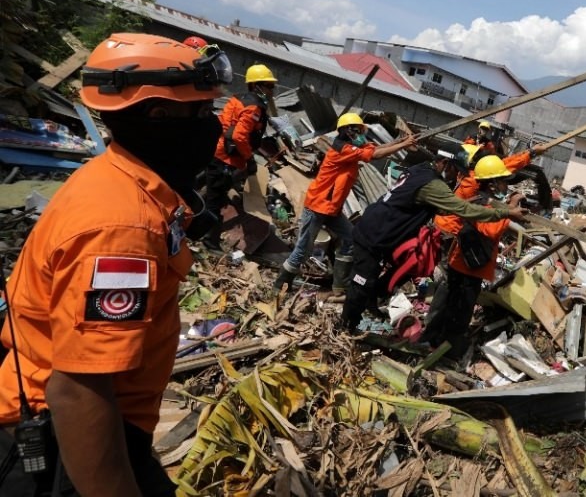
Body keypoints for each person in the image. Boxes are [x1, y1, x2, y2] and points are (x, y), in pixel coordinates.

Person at [0, 33, 228, 496]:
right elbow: (79, 388)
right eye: (202, 112)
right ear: (159, 115)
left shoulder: (114, 176)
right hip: (66, 435)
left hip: (74, 419)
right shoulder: (124, 229)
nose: (213, 125)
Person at [340, 149, 527, 333]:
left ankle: (373, 297)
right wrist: (507, 212)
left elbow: (442, 208)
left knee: (412, 263)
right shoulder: (433, 184)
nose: (457, 177)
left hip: (386, 232)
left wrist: (464, 205)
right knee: (361, 282)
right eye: (456, 170)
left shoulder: (421, 170)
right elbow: (463, 211)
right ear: (445, 164)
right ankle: (347, 327)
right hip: (375, 234)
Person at [274, 113, 416, 291]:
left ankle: (340, 286)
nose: (361, 134)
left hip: (331, 209)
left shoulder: (351, 146)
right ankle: (280, 284)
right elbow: (375, 155)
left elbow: (375, 149)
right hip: (318, 206)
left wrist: (401, 141)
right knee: (303, 250)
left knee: (350, 238)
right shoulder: (342, 150)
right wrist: (404, 144)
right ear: (348, 131)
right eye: (358, 131)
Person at [421, 155, 524, 357]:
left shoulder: (483, 199)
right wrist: (509, 210)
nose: (505, 185)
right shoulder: (484, 204)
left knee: (446, 307)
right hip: (469, 268)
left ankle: (430, 340)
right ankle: (445, 353)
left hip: (461, 262)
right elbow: (490, 231)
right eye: (502, 181)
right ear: (493, 183)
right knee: (459, 313)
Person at [200, 63, 277, 250]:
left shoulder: (238, 99)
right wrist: (249, 159)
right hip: (227, 159)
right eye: (269, 86)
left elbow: (224, 124)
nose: (271, 90)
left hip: (218, 152)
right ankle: (209, 239)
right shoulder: (253, 108)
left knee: (207, 189)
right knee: (215, 200)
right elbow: (238, 136)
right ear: (256, 85)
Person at [434, 142, 547, 235]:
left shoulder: (466, 176)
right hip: (450, 229)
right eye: (478, 155)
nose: (482, 156)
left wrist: (530, 152)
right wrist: (531, 153)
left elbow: (504, 163)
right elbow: (504, 166)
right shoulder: (471, 180)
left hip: (445, 225)